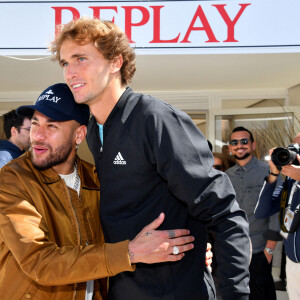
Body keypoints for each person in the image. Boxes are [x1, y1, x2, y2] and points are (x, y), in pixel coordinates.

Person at [51, 18, 251, 300]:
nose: (70, 72)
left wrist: (234, 294)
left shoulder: (155, 120)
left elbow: (226, 217)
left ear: (115, 62)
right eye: (64, 63)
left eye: (80, 58)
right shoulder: (95, 131)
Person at [0, 83, 195, 300]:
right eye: (35, 123)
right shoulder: (12, 179)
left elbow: (133, 225)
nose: (37, 136)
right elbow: (39, 261)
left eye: (52, 126)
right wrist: (129, 253)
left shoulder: (95, 177)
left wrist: (186, 248)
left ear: (79, 135)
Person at [226, 126, 281, 300]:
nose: (239, 145)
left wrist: (269, 251)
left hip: (259, 250)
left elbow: (276, 212)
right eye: (234, 142)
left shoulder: (269, 171)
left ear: (253, 145)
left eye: (244, 141)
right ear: (229, 147)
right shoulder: (225, 176)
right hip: (233, 250)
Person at [255, 133, 300, 299]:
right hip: (293, 262)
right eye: (293, 146)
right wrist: (273, 174)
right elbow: (261, 211)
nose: (296, 152)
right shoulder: (290, 183)